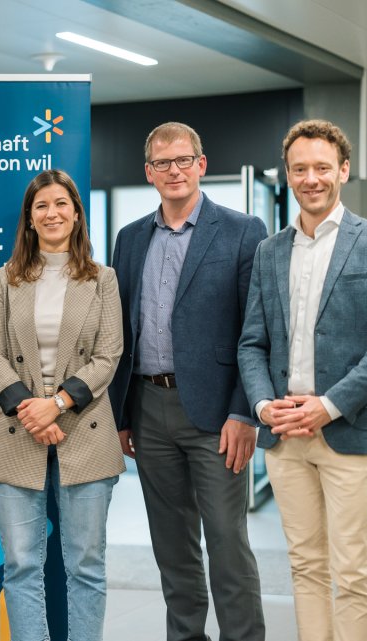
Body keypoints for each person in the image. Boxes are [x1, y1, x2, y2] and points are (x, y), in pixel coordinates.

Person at [238, 119, 367, 641]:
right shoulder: (269, 252)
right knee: (305, 565)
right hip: (284, 434)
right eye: (299, 169)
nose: (310, 178)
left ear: (343, 169)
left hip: (348, 430)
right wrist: (265, 407)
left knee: (352, 572)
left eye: (321, 167)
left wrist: (329, 405)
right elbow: (252, 343)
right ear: (287, 175)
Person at [108, 122, 266, 641]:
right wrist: (123, 415)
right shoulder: (130, 240)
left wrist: (245, 413)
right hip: (149, 409)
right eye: (162, 163)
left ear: (201, 164)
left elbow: (255, 331)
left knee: (226, 542)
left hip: (218, 414)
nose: (173, 171)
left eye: (183, 161)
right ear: (148, 172)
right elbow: (121, 334)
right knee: (172, 547)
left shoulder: (243, 231)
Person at [0, 169, 125, 641]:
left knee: (86, 565)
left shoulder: (103, 280)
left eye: (61, 203)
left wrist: (57, 403)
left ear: (77, 214)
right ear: (29, 219)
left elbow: (109, 354)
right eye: (41, 206)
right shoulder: (7, 278)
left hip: (84, 431)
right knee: (21, 565)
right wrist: (32, 410)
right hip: (16, 431)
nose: (52, 213)